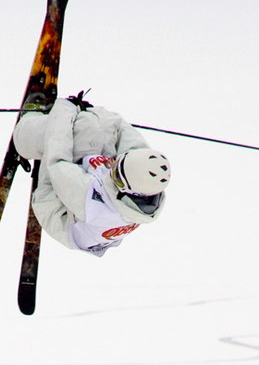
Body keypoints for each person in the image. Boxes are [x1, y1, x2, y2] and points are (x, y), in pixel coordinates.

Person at [12, 91, 171, 257]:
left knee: (79, 130)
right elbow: (120, 126)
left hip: (59, 215)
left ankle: (24, 135)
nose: (112, 165)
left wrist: (64, 110)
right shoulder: (146, 185)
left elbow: (57, 161)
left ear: (128, 188)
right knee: (100, 126)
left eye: (116, 174)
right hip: (94, 218)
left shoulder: (94, 203)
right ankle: (75, 123)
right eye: (117, 164)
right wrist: (92, 112)